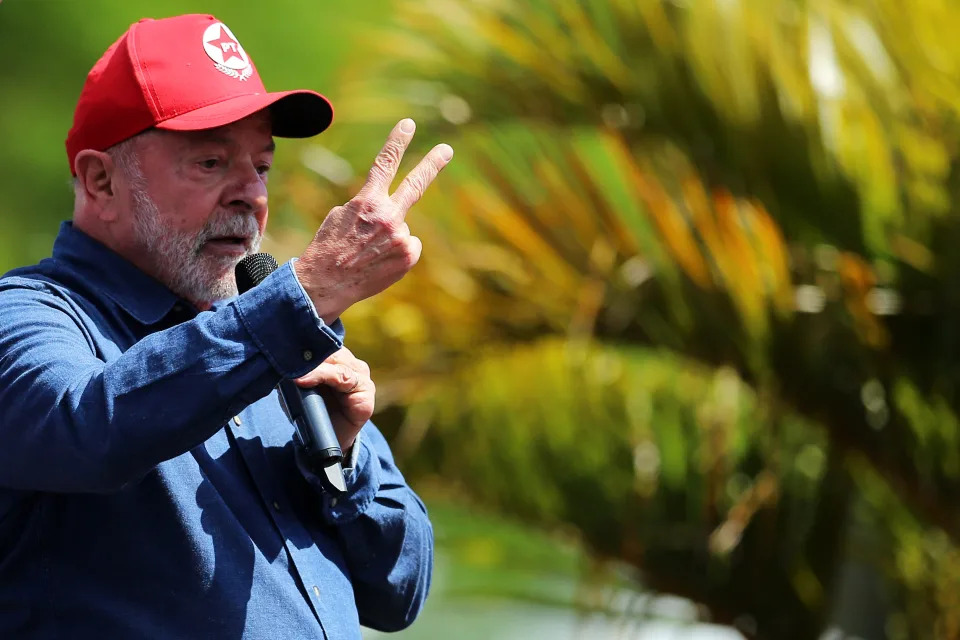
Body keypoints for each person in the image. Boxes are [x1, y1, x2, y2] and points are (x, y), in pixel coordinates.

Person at [0, 13, 452, 639]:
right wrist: (303, 299)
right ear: (101, 181)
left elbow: (400, 593)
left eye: (261, 167)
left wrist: (343, 462)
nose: (251, 195)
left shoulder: (271, 324)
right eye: (211, 163)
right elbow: (82, 427)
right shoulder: (27, 313)